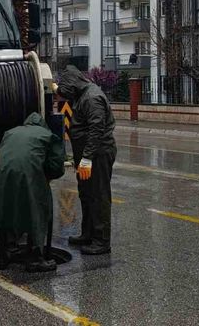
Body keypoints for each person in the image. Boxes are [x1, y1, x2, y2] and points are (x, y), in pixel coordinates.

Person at [0, 112, 66, 272]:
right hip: (28, 174)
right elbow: (56, 166)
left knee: (6, 209)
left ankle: (3, 255)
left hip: (2, 175)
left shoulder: (10, 132)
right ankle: (35, 259)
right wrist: (46, 176)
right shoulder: (48, 135)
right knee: (37, 210)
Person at [56, 64, 116, 256]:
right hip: (87, 156)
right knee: (86, 194)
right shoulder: (81, 95)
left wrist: (87, 158)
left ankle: (101, 241)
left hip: (97, 155)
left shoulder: (92, 98)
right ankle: (88, 233)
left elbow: (96, 131)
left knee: (99, 196)